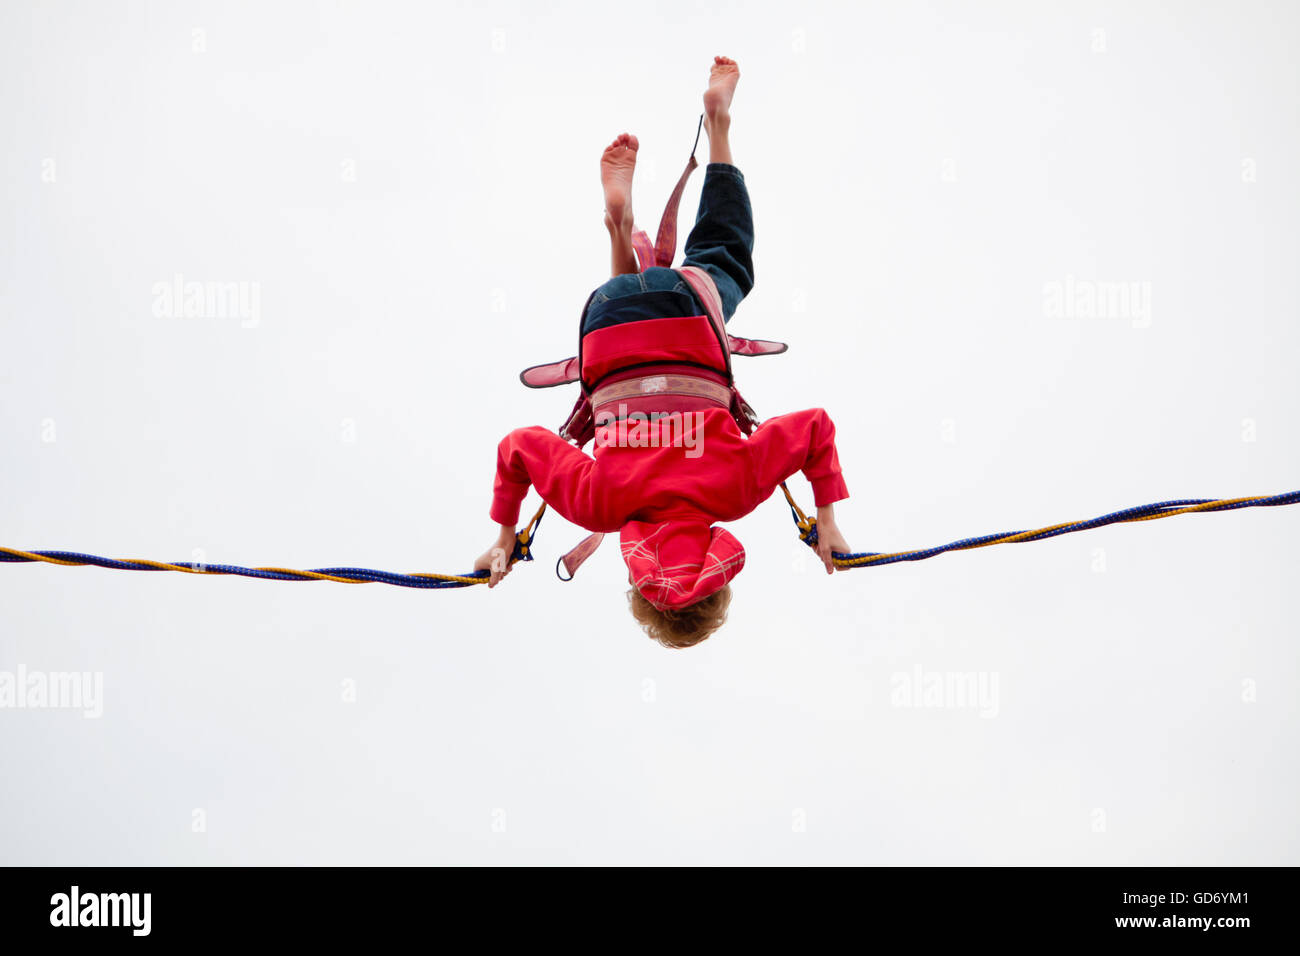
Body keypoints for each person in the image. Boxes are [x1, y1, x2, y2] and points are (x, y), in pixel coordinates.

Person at [475, 56, 852, 649]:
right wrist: (502, 538)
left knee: (725, 254)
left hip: (684, 320)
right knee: (629, 337)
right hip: (608, 325)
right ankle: (619, 235)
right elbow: (518, 449)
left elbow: (815, 428)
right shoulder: (599, 505)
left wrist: (827, 522)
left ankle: (720, 126)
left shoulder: (736, 489)